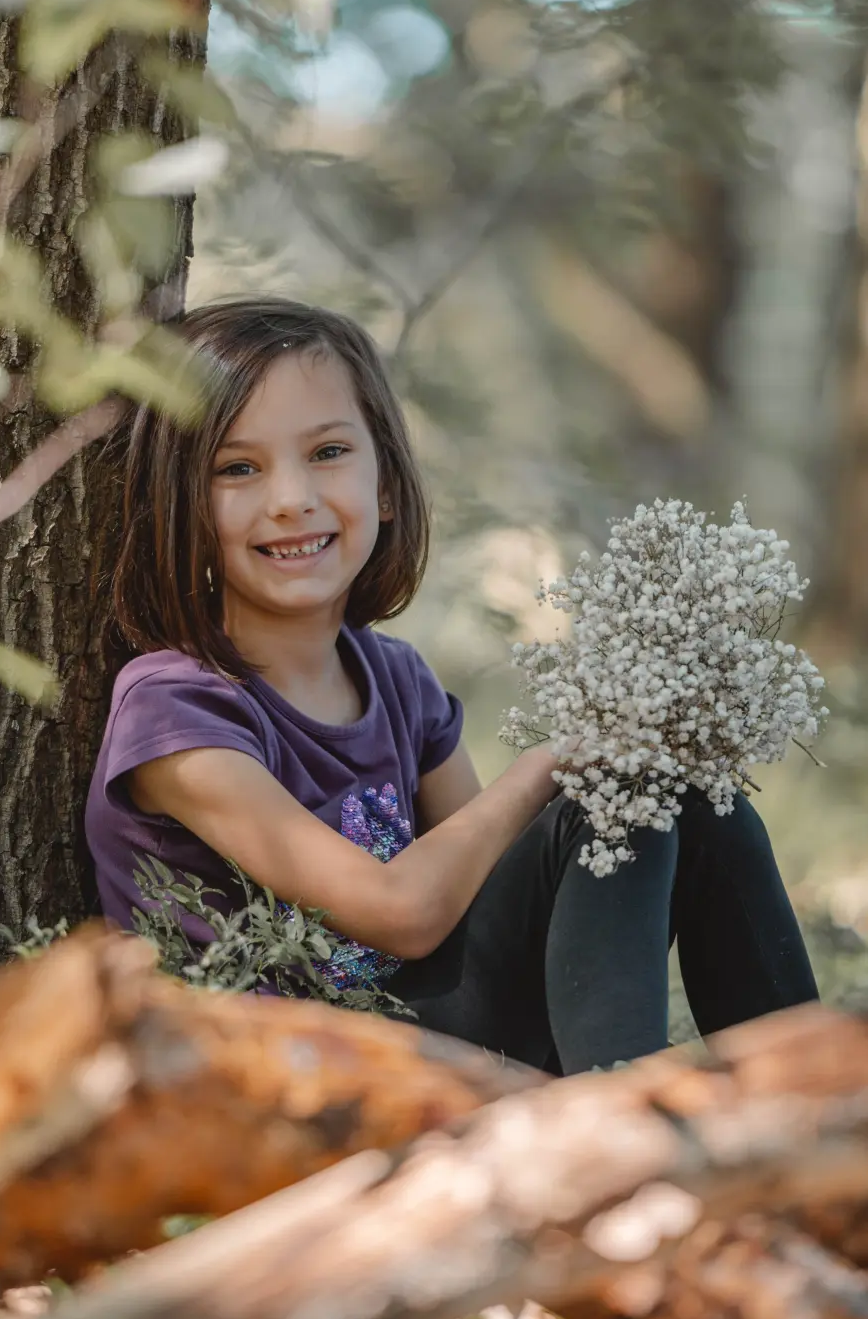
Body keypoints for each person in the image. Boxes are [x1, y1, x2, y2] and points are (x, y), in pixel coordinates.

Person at [84, 295, 819, 1074]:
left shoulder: (397, 679)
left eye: (329, 452)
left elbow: (491, 886)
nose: (291, 496)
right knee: (601, 802)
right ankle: (627, 1127)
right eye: (238, 468)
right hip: (305, 1079)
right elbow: (399, 916)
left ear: (388, 486)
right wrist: (550, 765)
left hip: (432, 1034)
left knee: (683, 793)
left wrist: (624, 763)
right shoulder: (175, 710)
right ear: (178, 506)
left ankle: (818, 1112)